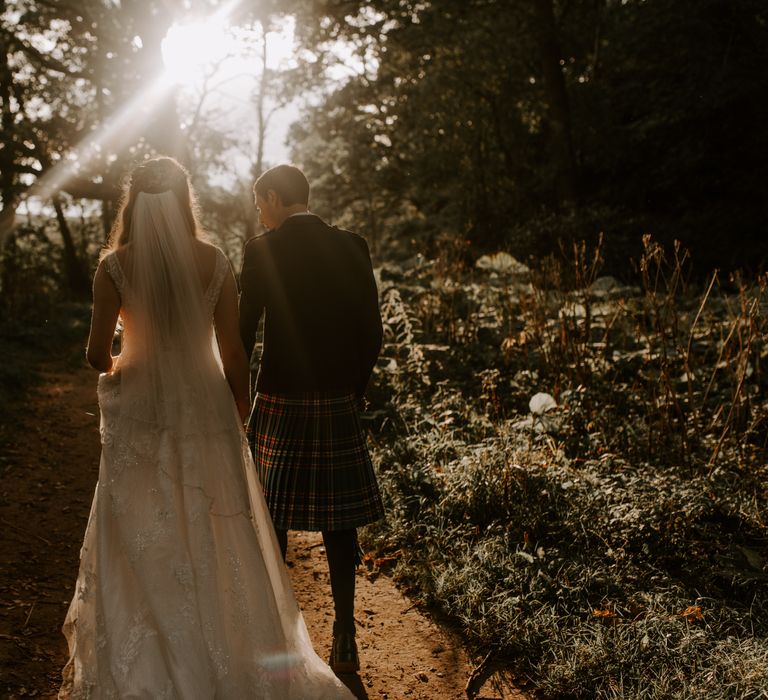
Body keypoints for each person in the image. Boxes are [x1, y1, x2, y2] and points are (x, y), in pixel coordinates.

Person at [59, 157, 354, 699]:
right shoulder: (215, 260)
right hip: (206, 406)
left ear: (134, 206)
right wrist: (239, 405)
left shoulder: (113, 268)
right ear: (181, 202)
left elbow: (97, 355)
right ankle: (232, 651)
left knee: (142, 529)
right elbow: (234, 349)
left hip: (140, 411)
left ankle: (153, 657)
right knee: (216, 528)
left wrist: (124, 357)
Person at [239, 164, 385, 675]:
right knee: (339, 518)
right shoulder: (351, 246)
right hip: (336, 397)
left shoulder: (262, 250)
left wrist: (236, 393)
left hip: (279, 398)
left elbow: (241, 331)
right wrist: (354, 388)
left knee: (271, 512)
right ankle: (344, 633)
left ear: (276, 198)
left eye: (260, 203)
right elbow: (372, 330)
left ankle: (280, 633)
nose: (260, 213)